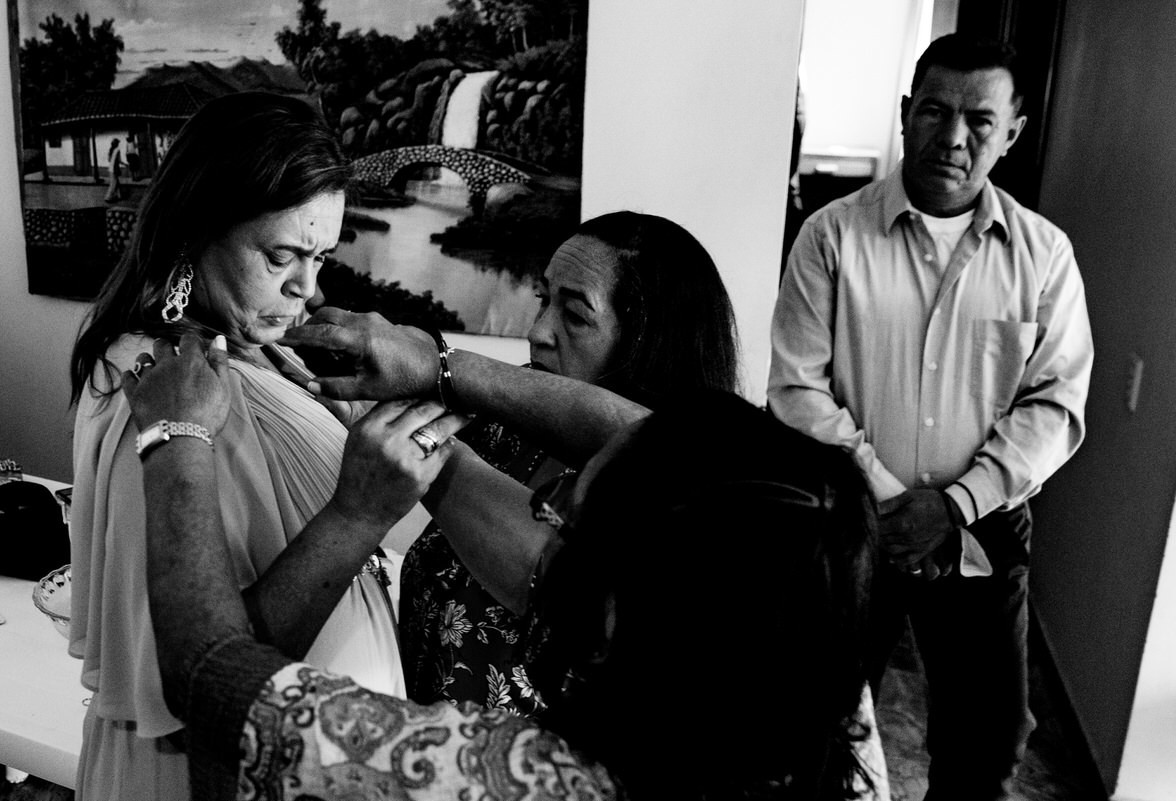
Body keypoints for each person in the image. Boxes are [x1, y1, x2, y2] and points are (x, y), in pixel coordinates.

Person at [121, 332, 880, 800]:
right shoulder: (824, 702)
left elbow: (209, 671)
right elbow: (683, 467)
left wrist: (177, 433)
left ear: (613, 613)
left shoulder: (490, 778)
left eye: (566, 526)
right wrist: (435, 365)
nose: (543, 532)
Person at [767, 33, 1094, 801]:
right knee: (812, 717)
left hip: (986, 527)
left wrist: (953, 504)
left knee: (988, 744)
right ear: (908, 113)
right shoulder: (831, 235)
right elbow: (796, 391)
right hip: (848, 515)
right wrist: (891, 497)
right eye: (937, 112)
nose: (954, 137)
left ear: (1010, 133)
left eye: (980, 120)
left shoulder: (1045, 257)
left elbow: (1056, 400)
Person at [67, 92, 404, 801]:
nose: (307, 288)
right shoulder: (161, 393)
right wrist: (358, 514)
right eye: (282, 254)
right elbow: (199, 685)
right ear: (196, 231)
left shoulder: (262, 351)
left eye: (321, 256)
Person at [397, 211, 740, 715]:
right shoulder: (504, 428)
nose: (537, 332)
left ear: (649, 343)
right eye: (543, 299)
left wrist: (417, 442)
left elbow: (543, 575)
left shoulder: (679, 499)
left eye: (575, 316)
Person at [104, 137, 123, 203]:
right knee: (113, 184)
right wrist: (125, 164)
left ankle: (119, 196)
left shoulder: (110, 150)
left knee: (116, 182)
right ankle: (108, 197)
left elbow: (109, 160)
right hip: (115, 168)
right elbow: (119, 160)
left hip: (110, 168)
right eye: (118, 143)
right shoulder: (118, 150)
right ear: (117, 144)